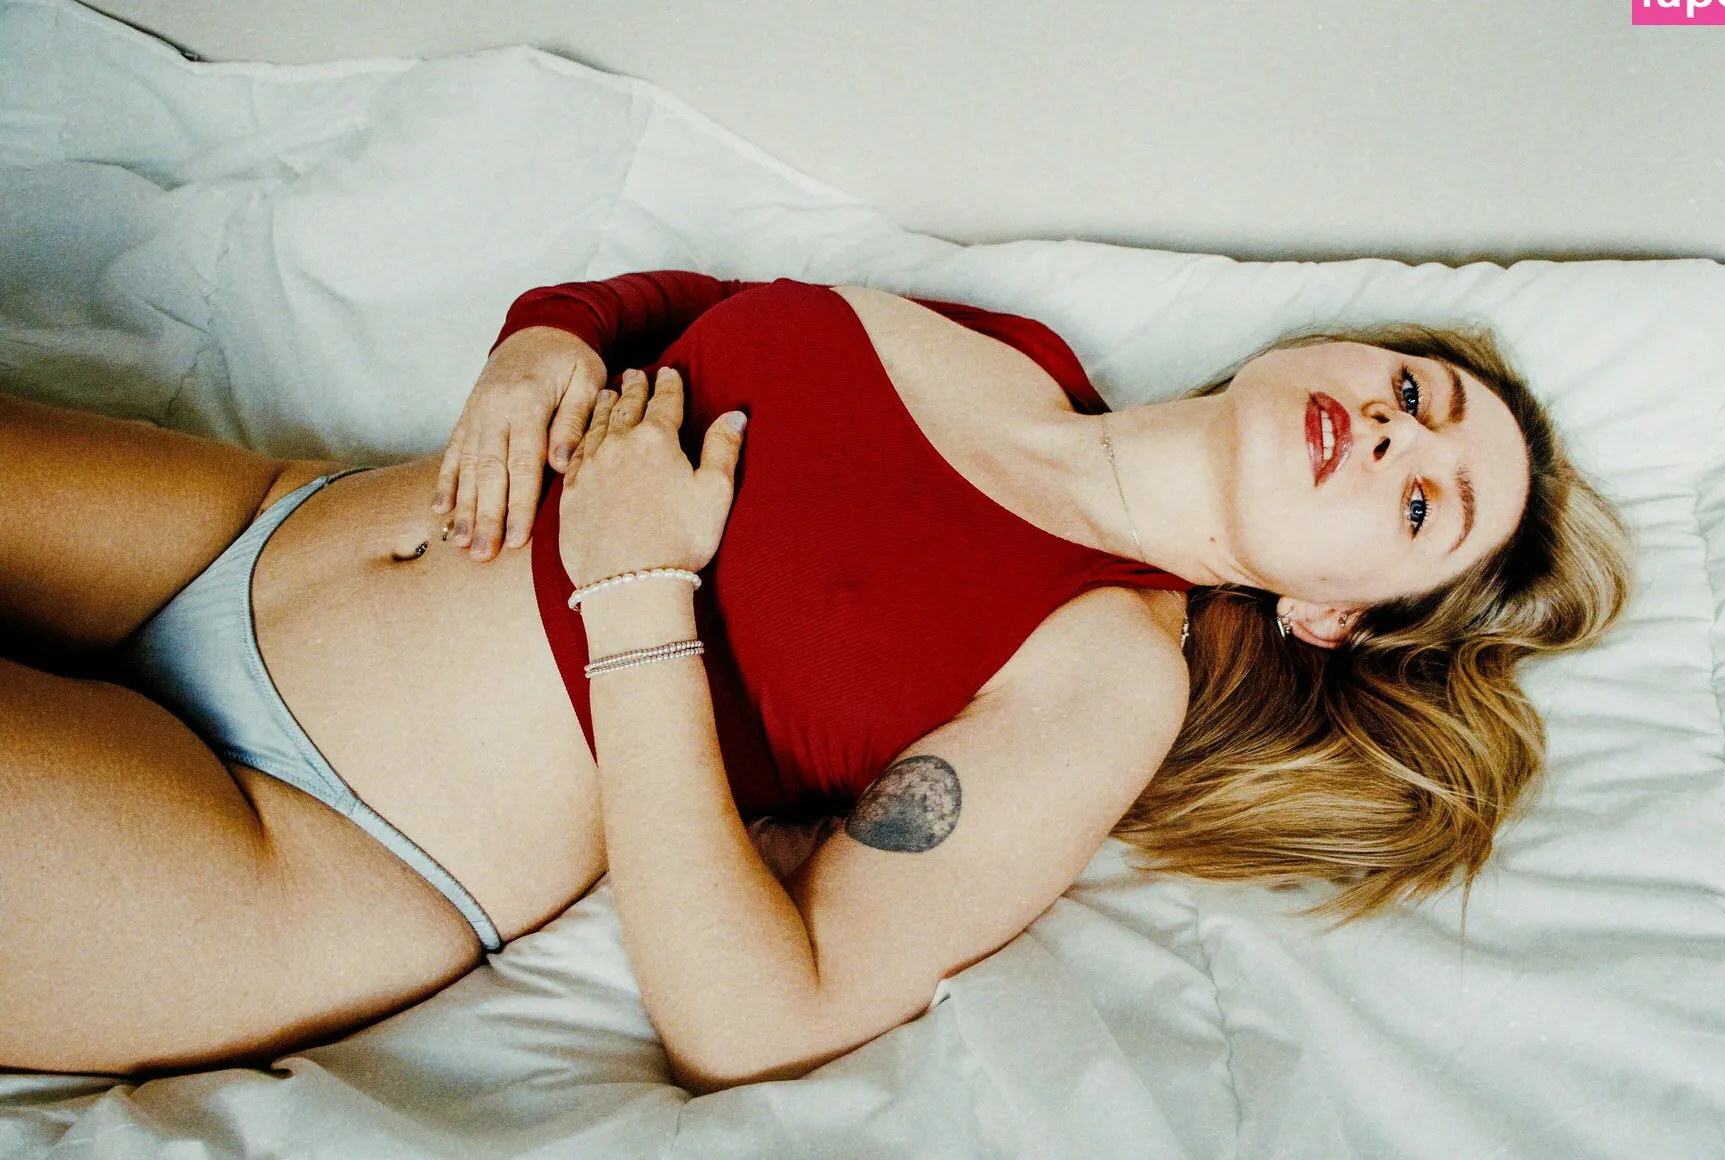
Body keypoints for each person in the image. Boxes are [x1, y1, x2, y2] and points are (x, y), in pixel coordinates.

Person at [0, 272, 1631, 1090]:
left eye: (1423, 508)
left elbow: (755, 1018)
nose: (1397, 434)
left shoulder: (1107, 675)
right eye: (1418, 392)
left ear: (1329, 614)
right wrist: (547, 341)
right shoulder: (1014, 351)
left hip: (306, 838)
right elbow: (687, 307)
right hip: (249, 521)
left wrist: (638, 595)